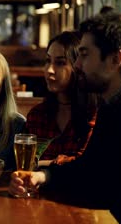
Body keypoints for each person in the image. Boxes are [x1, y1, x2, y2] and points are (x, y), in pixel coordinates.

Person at [9, 12, 121, 223]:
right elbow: (87, 167)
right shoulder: (111, 104)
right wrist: (43, 176)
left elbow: (111, 190)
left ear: (116, 59)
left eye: (84, 55)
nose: (77, 65)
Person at [25, 31, 97, 166]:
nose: (49, 70)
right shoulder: (37, 115)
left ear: (78, 66)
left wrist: (43, 164)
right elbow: (26, 163)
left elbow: (86, 165)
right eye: (47, 61)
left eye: (60, 63)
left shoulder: (93, 115)